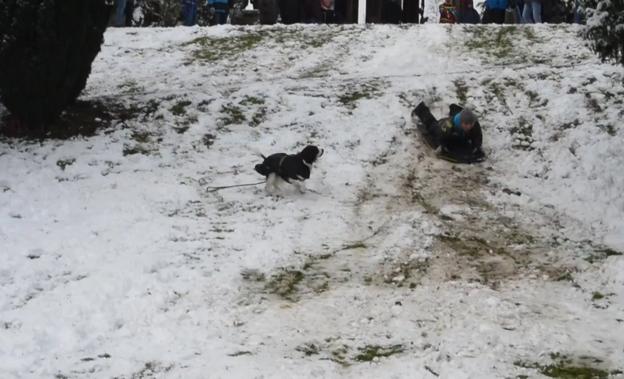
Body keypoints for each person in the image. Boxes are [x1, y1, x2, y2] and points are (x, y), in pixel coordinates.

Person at [413, 102, 483, 156]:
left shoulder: (474, 124)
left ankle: (454, 108)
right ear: (461, 123)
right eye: (467, 124)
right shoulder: (448, 127)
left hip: (459, 132)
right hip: (443, 128)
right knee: (433, 126)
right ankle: (420, 109)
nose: (469, 126)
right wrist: (442, 147)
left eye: (471, 124)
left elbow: (478, 135)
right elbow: (441, 138)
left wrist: (476, 146)